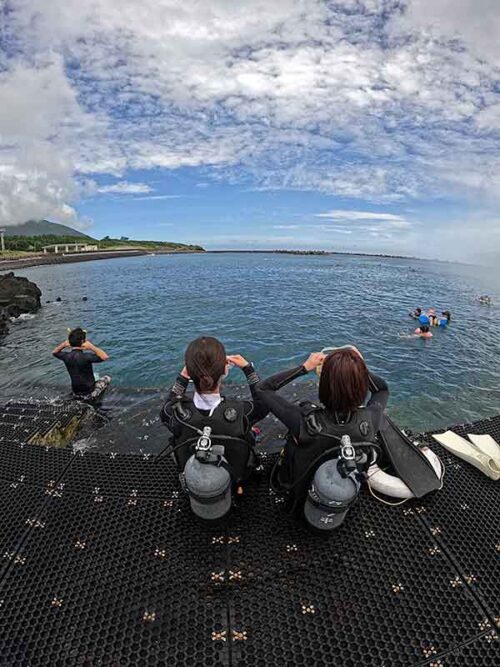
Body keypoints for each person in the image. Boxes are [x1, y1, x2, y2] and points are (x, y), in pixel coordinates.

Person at [255, 347, 389, 525]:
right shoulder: (371, 419)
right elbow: (381, 389)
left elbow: (263, 388)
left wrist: (304, 368)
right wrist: (358, 366)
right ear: (362, 386)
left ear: (324, 386)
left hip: (301, 499)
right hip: (340, 496)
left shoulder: (302, 420)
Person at [159, 336, 269, 519]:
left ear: (190, 373)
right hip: (236, 474)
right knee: (249, 432)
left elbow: (165, 408)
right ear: (225, 369)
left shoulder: (176, 414)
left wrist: (182, 378)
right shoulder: (242, 411)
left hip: (192, 473)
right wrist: (248, 369)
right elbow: (264, 404)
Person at [52, 328, 111, 401]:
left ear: (70, 342)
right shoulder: (86, 357)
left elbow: (54, 352)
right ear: (83, 342)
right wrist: (91, 347)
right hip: (89, 391)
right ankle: (96, 397)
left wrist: (63, 345)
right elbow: (105, 357)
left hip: (76, 391)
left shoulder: (66, 356)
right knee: (107, 378)